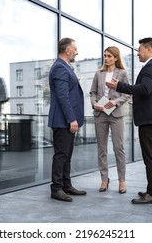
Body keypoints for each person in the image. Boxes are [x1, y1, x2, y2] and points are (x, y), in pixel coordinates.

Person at [106, 37, 152, 204]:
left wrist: (118, 86)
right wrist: (139, 100)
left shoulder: (151, 67)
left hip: (150, 119)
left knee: (150, 156)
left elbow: (145, 88)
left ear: (148, 49)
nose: (137, 52)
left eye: (139, 49)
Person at [48, 37, 87, 202]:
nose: (77, 52)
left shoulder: (64, 67)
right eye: (75, 49)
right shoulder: (60, 68)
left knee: (67, 154)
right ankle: (56, 188)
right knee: (61, 155)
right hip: (62, 121)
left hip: (66, 121)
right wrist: (72, 119)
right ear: (67, 50)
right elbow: (63, 97)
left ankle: (66, 184)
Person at [90, 46, 131, 194]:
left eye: (109, 56)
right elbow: (92, 92)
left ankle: (122, 181)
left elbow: (127, 94)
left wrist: (115, 102)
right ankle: (104, 179)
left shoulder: (123, 73)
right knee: (102, 149)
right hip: (100, 114)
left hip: (116, 115)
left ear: (115, 58)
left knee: (118, 148)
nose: (106, 58)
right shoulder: (98, 74)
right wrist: (95, 104)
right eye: (105, 55)